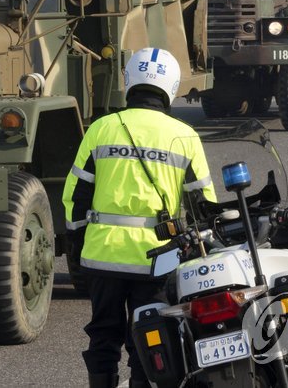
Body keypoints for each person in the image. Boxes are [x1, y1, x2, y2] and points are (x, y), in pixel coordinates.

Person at [63, 47, 217, 388]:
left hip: (103, 256)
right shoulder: (184, 136)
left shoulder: (102, 128)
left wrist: (76, 240)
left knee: (103, 333)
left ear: (129, 80)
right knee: (150, 338)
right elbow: (203, 204)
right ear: (172, 86)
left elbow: (75, 195)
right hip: (158, 260)